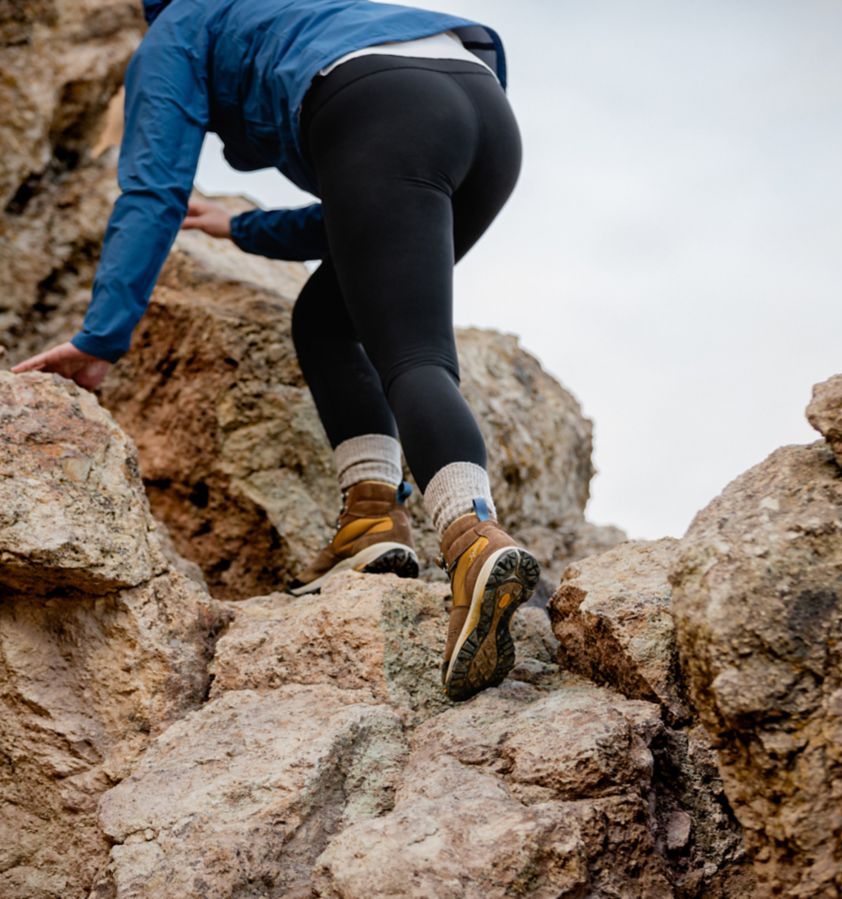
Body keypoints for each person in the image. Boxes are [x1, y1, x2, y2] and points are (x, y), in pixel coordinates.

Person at [12, 0, 539, 702]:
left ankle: (473, 536)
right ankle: (372, 518)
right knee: (327, 318)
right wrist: (247, 227)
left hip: (380, 105)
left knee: (412, 356)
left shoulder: (180, 25)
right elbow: (371, 212)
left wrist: (100, 337)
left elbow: (151, 189)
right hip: (482, 112)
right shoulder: (297, 12)